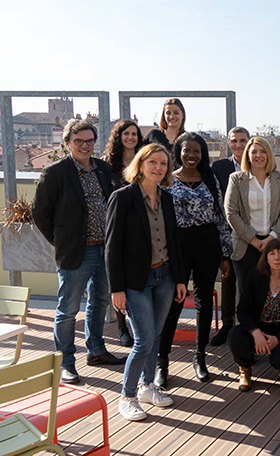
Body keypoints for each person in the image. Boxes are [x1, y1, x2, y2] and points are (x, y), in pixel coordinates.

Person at [32, 118, 126, 385]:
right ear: (67, 143)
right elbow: (40, 213)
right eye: (78, 141)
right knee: (68, 309)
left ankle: (96, 351)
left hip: (104, 250)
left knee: (99, 303)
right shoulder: (56, 172)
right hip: (77, 251)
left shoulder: (103, 169)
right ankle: (65, 363)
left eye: (89, 141)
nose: (84, 146)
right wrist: (61, 241)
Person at [105, 143, 187, 421]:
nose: (158, 168)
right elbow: (112, 247)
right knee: (143, 340)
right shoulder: (123, 197)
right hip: (135, 281)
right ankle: (126, 396)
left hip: (164, 276)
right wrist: (116, 288)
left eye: (163, 163)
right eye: (153, 162)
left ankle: (147, 386)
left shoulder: (166, 198)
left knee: (156, 336)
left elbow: (174, 241)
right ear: (140, 164)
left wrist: (178, 279)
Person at [156, 133, 232, 387]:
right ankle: (161, 362)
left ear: (203, 154)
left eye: (197, 151)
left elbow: (220, 216)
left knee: (204, 301)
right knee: (174, 301)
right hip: (178, 244)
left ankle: (200, 357)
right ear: (178, 151)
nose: (191, 155)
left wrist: (225, 254)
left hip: (207, 242)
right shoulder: (167, 180)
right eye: (186, 150)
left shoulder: (210, 179)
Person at [228, 238, 280, 392]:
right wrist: (255, 332)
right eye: (272, 253)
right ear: (266, 258)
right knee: (235, 336)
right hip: (258, 329)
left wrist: (278, 338)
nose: (276, 257)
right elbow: (242, 309)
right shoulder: (256, 275)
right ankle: (245, 370)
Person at [225, 136, 280, 298]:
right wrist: (253, 240)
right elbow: (231, 212)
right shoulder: (236, 179)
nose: (258, 155)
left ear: (269, 155)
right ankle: (248, 325)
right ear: (247, 154)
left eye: (263, 151)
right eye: (254, 151)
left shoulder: (279, 179)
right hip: (245, 246)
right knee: (247, 295)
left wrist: (271, 237)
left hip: (275, 243)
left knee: (274, 293)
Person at [102, 119, 146, 347]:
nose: (130, 137)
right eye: (126, 133)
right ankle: (122, 327)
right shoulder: (107, 164)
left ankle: (139, 325)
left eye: (134, 134)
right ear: (118, 137)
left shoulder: (143, 160)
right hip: (116, 226)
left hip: (139, 228)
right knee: (117, 279)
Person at [209, 126, 250, 346]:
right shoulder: (219, 167)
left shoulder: (257, 163)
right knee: (228, 279)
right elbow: (216, 200)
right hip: (227, 231)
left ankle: (250, 325)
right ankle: (227, 325)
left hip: (253, 233)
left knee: (251, 281)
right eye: (234, 141)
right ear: (228, 143)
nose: (238, 145)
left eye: (242, 140)